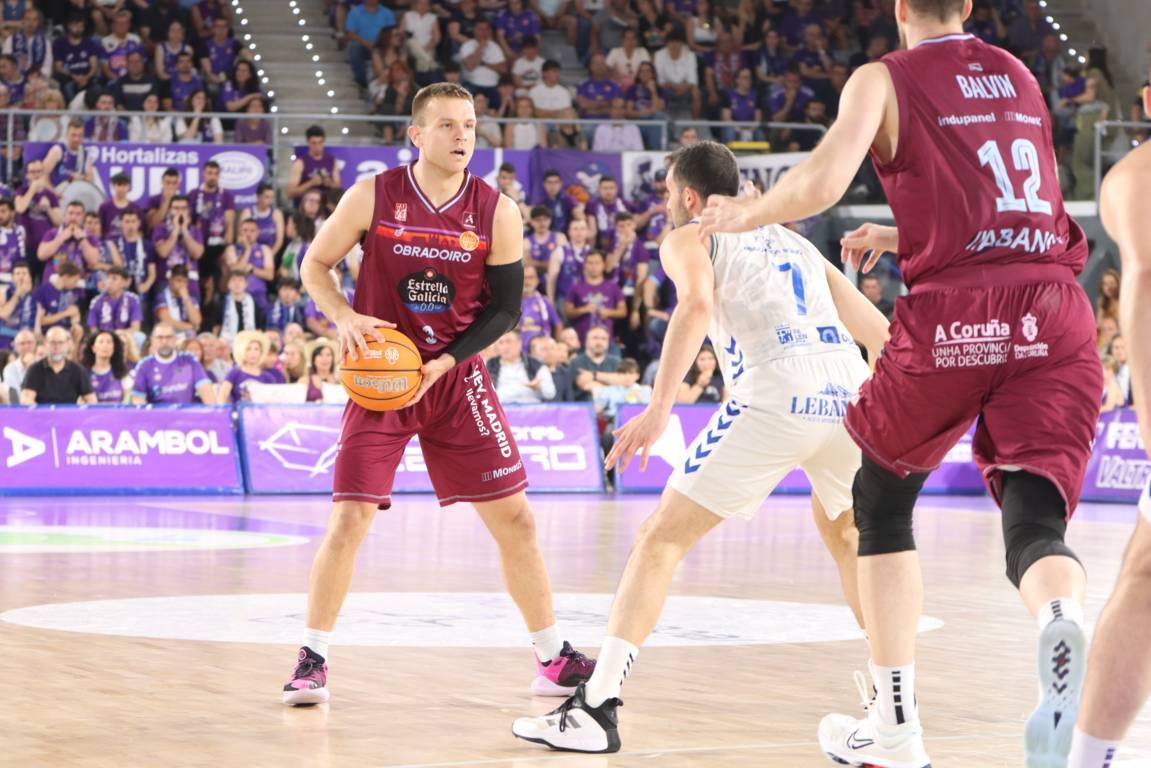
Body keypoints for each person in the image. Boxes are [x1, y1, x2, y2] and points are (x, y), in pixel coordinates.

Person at [699, 4, 1101, 765]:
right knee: (1035, 517)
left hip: (958, 316)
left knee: (880, 503)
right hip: (1053, 310)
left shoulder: (882, 79)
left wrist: (747, 212)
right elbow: (1009, 205)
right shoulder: (1019, 75)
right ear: (968, 6)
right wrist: (906, 233)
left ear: (898, 8)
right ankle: (1060, 615)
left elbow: (820, 181)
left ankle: (894, 732)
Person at [512, 141, 888, 753]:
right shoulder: (797, 242)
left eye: (667, 193)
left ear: (689, 196)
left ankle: (596, 708)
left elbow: (695, 304)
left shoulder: (691, 235)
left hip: (776, 387)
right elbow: (882, 334)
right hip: (849, 394)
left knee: (659, 538)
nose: (667, 204)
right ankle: (892, 708)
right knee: (849, 539)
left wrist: (659, 408)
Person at [286, 82, 594, 707]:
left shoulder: (498, 211)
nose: (462, 136)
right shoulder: (372, 195)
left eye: (470, 126)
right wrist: (343, 316)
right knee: (349, 519)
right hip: (383, 378)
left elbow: (505, 310)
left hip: (456, 379)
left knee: (517, 520)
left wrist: (449, 360)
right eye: (449, 125)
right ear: (417, 134)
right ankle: (311, 660)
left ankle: (552, 658)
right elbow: (314, 266)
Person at [1066, 73, 1151, 768]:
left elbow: (1144, 282)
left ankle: (1087, 758)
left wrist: (1146, 409)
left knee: (1144, 579)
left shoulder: (1135, 177)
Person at [131, 322, 217, 404]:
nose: (164, 341)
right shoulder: (144, 365)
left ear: (175, 339)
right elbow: (138, 399)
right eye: (160, 337)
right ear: (152, 340)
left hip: (186, 413)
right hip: (157, 413)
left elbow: (205, 389)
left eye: (168, 337)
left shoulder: (189, 360)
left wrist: (213, 411)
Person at [20, 326, 96, 404]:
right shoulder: (34, 369)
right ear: (46, 343)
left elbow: (91, 400)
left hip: (69, 412)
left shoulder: (78, 370)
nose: (56, 347)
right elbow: (26, 399)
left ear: (67, 344)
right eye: (52, 342)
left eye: (61, 343)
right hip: (42, 411)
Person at [487, 329, 555, 403]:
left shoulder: (536, 364)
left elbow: (550, 394)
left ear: (519, 343)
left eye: (509, 341)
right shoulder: (489, 365)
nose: (505, 346)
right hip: (500, 407)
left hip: (530, 407)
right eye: (501, 342)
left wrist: (540, 386)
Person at [218, 329, 285, 403]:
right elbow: (223, 394)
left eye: (256, 349)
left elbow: (273, 400)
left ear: (261, 352)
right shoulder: (235, 373)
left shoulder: (268, 377)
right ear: (242, 351)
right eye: (248, 349)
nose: (253, 353)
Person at [287, 125, 341, 206]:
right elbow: (290, 193)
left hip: (327, 208)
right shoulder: (300, 163)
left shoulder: (332, 161)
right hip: (305, 209)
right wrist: (310, 183)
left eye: (320, 142)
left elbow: (339, 189)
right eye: (314, 143)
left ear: (324, 142)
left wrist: (330, 183)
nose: (317, 146)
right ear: (308, 142)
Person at [86, 266, 143, 340]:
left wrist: (119, 334)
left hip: (125, 336)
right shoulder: (96, 301)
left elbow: (135, 328)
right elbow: (93, 329)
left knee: (140, 337)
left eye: (114, 278)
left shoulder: (133, 299)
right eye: (107, 278)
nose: (109, 282)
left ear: (124, 282)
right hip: (103, 338)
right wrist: (107, 337)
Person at [82, 329, 131, 404]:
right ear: (93, 348)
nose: (105, 345)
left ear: (114, 348)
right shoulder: (84, 373)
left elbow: (127, 400)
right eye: (101, 342)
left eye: (109, 342)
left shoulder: (122, 373)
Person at [241, 182, 285, 257]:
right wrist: (250, 255)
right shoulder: (248, 212)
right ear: (258, 197)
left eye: (272, 197)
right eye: (267, 197)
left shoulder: (276, 214)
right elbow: (242, 236)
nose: (270, 201)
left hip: (271, 253)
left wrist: (269, 256)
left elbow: (279, 240)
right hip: (250, 254)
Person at [304, 338, 338, 402]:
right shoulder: (305, 381)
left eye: (328, 355)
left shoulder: (340, 380)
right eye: (320, 354)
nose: (324, 358)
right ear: (313, 359)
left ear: (332, 359)